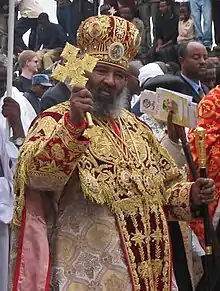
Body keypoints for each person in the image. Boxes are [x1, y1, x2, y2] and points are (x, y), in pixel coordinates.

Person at [10, 15, 215, 291]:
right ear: (84, 71)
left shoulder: (137, 128)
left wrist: (189, 193)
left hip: (153, 273)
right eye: (102, 71)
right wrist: (73, 126)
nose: (111, 82)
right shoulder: (55, 119)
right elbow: (38, 178)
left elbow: (165, 187)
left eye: (119, 74)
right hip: (90, 274)